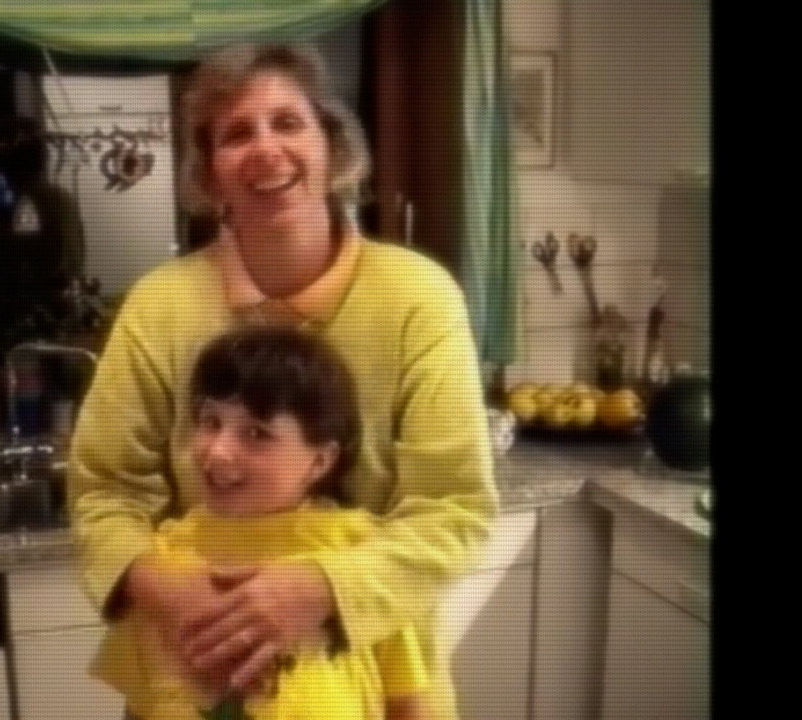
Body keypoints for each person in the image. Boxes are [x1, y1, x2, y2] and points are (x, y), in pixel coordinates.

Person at [66, 43, 498, 720]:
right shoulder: (159, 306)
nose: (266, 150)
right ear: (209, 176)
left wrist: (318, 589)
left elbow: (453, 508)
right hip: (191, 665)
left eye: (288, 123)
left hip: (378, 680)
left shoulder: (419, 297)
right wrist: (170, 592)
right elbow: (103, 492)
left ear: (332, 147)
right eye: (236, 134)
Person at [94, 326, 432, 720]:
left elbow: (408, 707)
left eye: (256, 433)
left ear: (320, 460)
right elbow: (139, 708)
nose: (217, 452)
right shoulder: (161, 565)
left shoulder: (361, 557)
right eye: (210, 421)